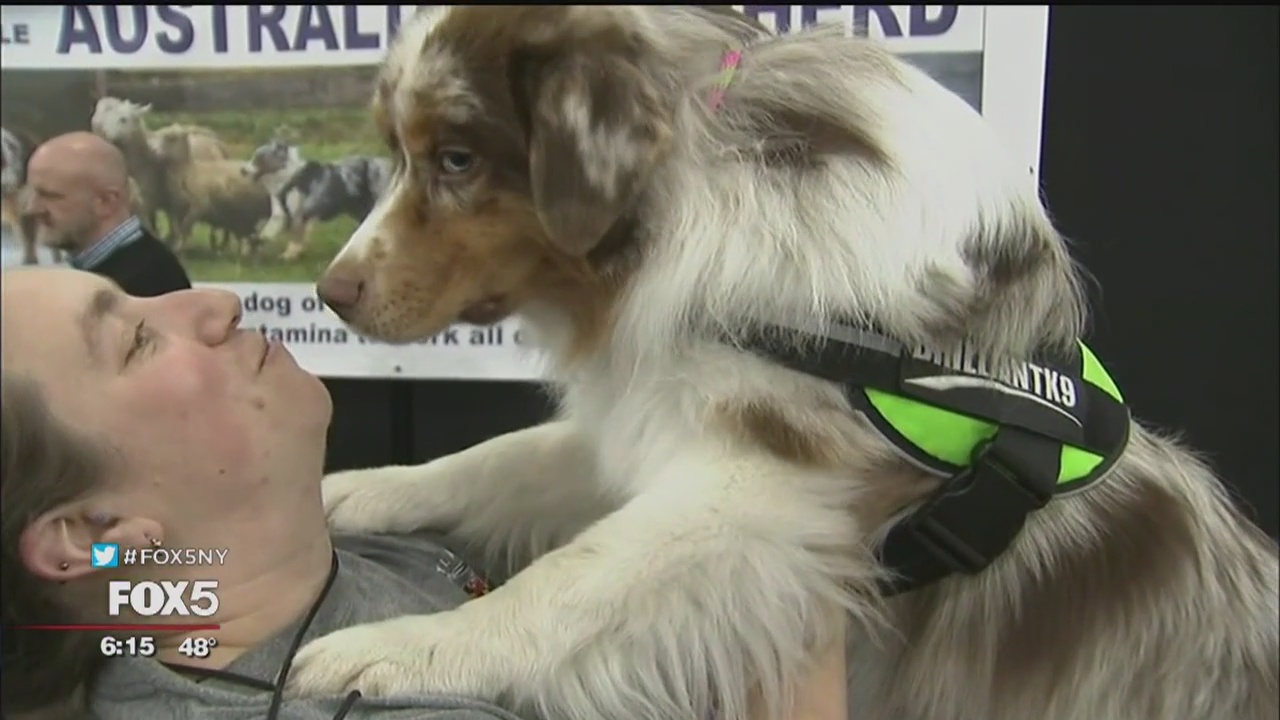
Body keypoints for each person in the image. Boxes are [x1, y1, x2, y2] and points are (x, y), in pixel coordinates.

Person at [0, 267, 848, 720]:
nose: (214, 302)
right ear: (91, 531)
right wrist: (787, 546)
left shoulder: (345, 543)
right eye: (137, 340)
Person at [22, 132, 191, 296]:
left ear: (106, 202)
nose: (31, 208)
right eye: (33, 193)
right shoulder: (115, 274)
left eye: (50, 196)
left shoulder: (146, 286)